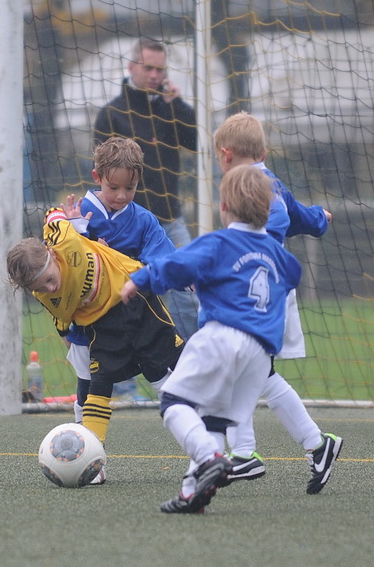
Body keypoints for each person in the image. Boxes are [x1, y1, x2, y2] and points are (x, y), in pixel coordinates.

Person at [119, 165, 302, 514]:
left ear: (224, 207)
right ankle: (192, 493)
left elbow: (176, 264)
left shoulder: (219, 243)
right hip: (260, 353)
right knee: (214, 420)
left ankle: (209, 457)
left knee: (173, 402)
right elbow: (294, 273)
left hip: (222, 336)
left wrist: (139, 279)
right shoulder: (278, 254)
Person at [211, 112, 343, 494]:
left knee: (241, 368)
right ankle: (315, 445)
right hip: (267, 294)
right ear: (264, 153)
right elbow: (301, 216)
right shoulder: (272, 182)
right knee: (257, 372)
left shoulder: (250, 185)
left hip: (259, 297)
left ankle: (246, 454)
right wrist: (321, 219)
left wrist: (257, 249)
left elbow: (279, 220)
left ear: (225, 155)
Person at [6, 196, 184, 455]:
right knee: (97, 384)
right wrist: (68, 338)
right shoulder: (45, 296)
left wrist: (74, 221)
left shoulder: (64, 240)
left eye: (50, 279)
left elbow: (53, 213)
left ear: (52, 254)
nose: (50, 288)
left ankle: (202, 437)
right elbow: (62, 319)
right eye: (40, 287)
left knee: (169, 370)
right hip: (102, 324)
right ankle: (90, 455)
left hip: (134, 294)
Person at [63, 138, 199, 424]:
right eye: (113, 187)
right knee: (89, 384)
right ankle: (83, 442)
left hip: (137, 316)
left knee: (162, 373)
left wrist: (189, 277)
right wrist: (79, 236)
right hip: (91, 319)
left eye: (130, 187)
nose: (122, 195)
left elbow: (165, 259)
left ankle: (196, 432)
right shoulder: (77, 215)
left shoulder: (144, 220)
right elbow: (61, 264)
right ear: (97, 177)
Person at [93, 37, 199, 247]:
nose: (154, 75)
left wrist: (178, 105)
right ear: (131, 67)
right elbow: (100, 172)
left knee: (189, 268)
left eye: (160, 70)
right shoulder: (111, 114)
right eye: (148, 68)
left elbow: (197, 143)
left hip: (170, 220)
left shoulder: (170, 108)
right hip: (128, 224)